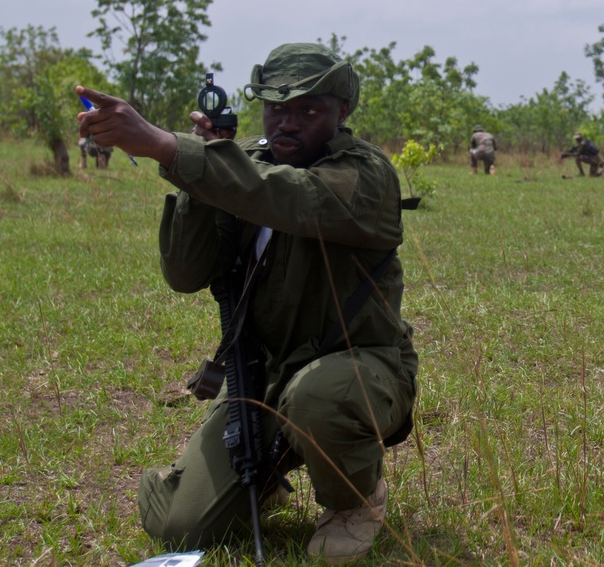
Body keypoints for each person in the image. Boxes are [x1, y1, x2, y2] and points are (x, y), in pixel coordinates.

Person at [76, 42, 418, 564]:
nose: (289, 122)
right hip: (260, 377)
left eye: (309, 110)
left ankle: (354, 501)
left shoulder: (365, 175)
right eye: (277, 108)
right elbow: (186, 273)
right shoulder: (245, 165)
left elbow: (289, 197)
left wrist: (170, 149)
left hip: (357, 368)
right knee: (179, 527)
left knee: (319, 398)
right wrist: (200, 176)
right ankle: (263, 480)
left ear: (342, 112)